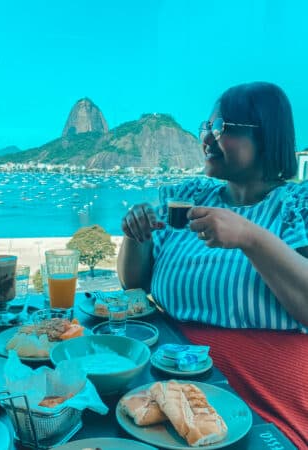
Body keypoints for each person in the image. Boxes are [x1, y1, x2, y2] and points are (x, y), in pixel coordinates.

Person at [117, 82, 308, 449]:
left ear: (266, 135)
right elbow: (133, 284)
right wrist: (135, 236)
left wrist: (251, 239)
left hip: (266, 403)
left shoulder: (296, 205)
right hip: (169, 385)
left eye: (222, 128)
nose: (207, 138)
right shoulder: (187, 198)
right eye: (207, 128)